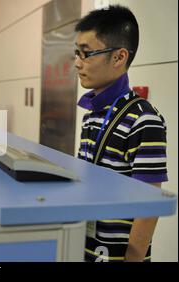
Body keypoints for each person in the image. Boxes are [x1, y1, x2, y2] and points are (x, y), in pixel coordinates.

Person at [74, 5, 168, 262]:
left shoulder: (144, 119)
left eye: (86, 54)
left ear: (119, 57)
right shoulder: (91, 113)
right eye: (76, 53)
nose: (77, 63)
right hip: (86, 247)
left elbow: (148, 205)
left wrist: (133, 259)